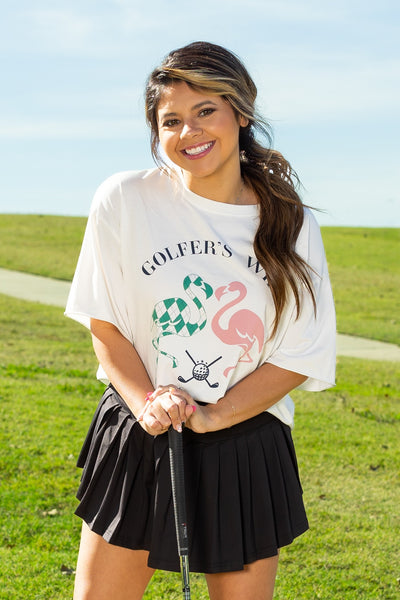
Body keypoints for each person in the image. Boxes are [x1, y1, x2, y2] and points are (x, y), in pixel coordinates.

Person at [65, 41, 336, 600]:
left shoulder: (290, 223)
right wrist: (147, 403)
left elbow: (299, 352)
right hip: (142, 430)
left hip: (244, 440)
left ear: (240, 112)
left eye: (205, 111)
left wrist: (214, 417)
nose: (189, 132)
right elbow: (106, 323)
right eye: (171, 121)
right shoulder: (124, 199)